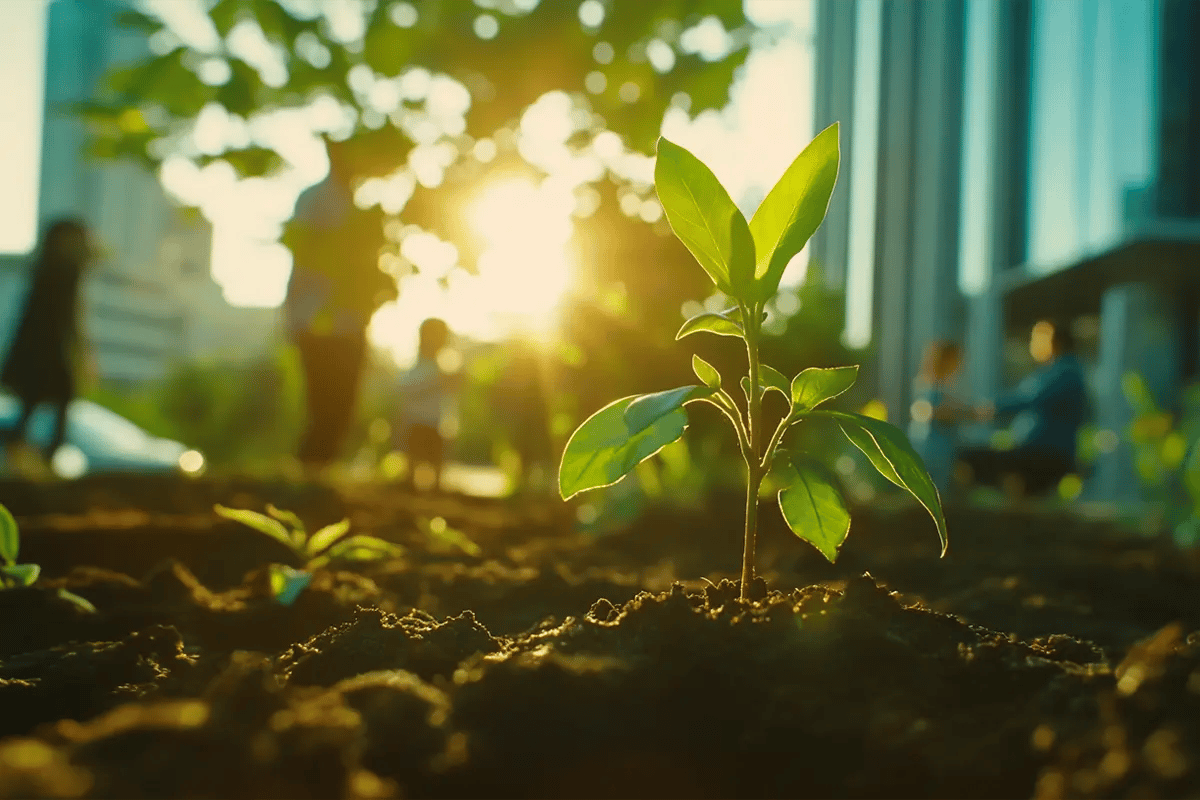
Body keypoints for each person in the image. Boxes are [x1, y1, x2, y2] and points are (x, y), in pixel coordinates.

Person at [282, 136, 395, 472]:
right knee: (321, 402)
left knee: (343, 404)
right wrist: (292, 316)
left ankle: (320, 472)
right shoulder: (313, 200)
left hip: (350, 322)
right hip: (315, 320)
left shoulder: (361, 209)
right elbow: (301, 260)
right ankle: (309, 472)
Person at [1, 219, 94, 470]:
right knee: (57, 401)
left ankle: (32, 454)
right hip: (51, 353)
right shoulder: (63, 271)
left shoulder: (45, 268)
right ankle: (42, 456)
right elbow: (69, 319)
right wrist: (79, 355)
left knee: (36, 404)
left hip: (39, 353)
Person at [958, 320, 1089, 497]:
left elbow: (1028, 399)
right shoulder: (1052, 371)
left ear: (1055, 341)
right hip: (1037, 452)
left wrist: (983, 409)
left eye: (1038, 338)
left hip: (1046, 455)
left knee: (968, 460)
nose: (1032, 343)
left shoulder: (1065, 372)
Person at [395, 318, 458, 492]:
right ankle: (410, 487)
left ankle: (434, 491)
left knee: (436, 469)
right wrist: (436, 383)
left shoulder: (446, 367)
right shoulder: (416, 368)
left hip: (437, 423)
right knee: (412, 469)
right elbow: (405, 389)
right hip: (416, 422)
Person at [908, 340, 971, 493]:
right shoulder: (930, 386)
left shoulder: (942, 386)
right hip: (932, 449)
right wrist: (965, 412)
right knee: (932, 490)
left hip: (941, 448)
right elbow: (926, 411)